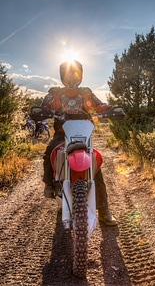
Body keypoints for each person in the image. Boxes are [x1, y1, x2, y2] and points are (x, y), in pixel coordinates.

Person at [41, 60, 117, 226]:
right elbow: (45, 105)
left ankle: (104, 210)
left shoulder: (86, 92)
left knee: (95, 164)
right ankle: (49, 184)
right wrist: (42, 110)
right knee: (49, 151)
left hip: (83, 135)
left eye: (74, 73)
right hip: (62, 134)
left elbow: (98, 104)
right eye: (67, 73)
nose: (71, 77)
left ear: (80, 75)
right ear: (62, 76)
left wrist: (108, 108)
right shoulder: (55, 92)